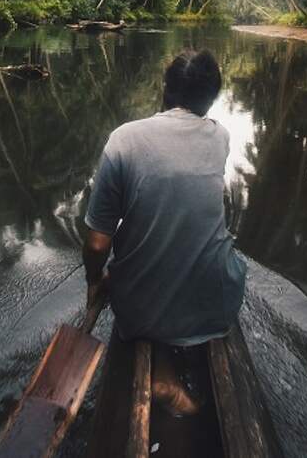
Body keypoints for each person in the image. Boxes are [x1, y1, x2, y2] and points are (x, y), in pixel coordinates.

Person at [82, 48, 247, 415]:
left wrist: (96, 281)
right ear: (210, 100)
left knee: (139, 280)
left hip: (141, 308)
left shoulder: (123, 139)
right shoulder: (220, 137)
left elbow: (97, 243)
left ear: (165, 87)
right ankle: (171, 372)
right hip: (217, 301)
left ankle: (164, 376)